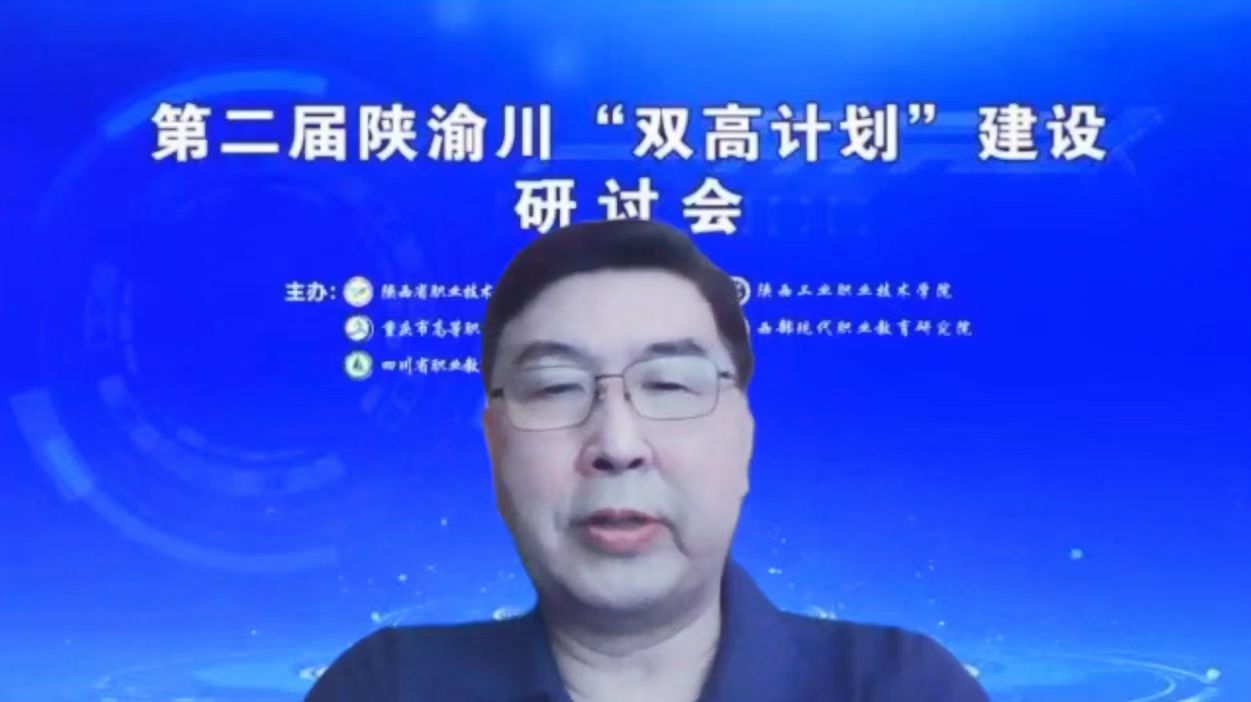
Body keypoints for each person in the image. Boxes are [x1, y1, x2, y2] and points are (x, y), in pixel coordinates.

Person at [306, 219, 989, 702]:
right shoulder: (389, 687)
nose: (618, 445)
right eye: (554, 388)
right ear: (494, 445)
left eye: (669, 385)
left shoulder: (898, 686)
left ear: (744, 440)